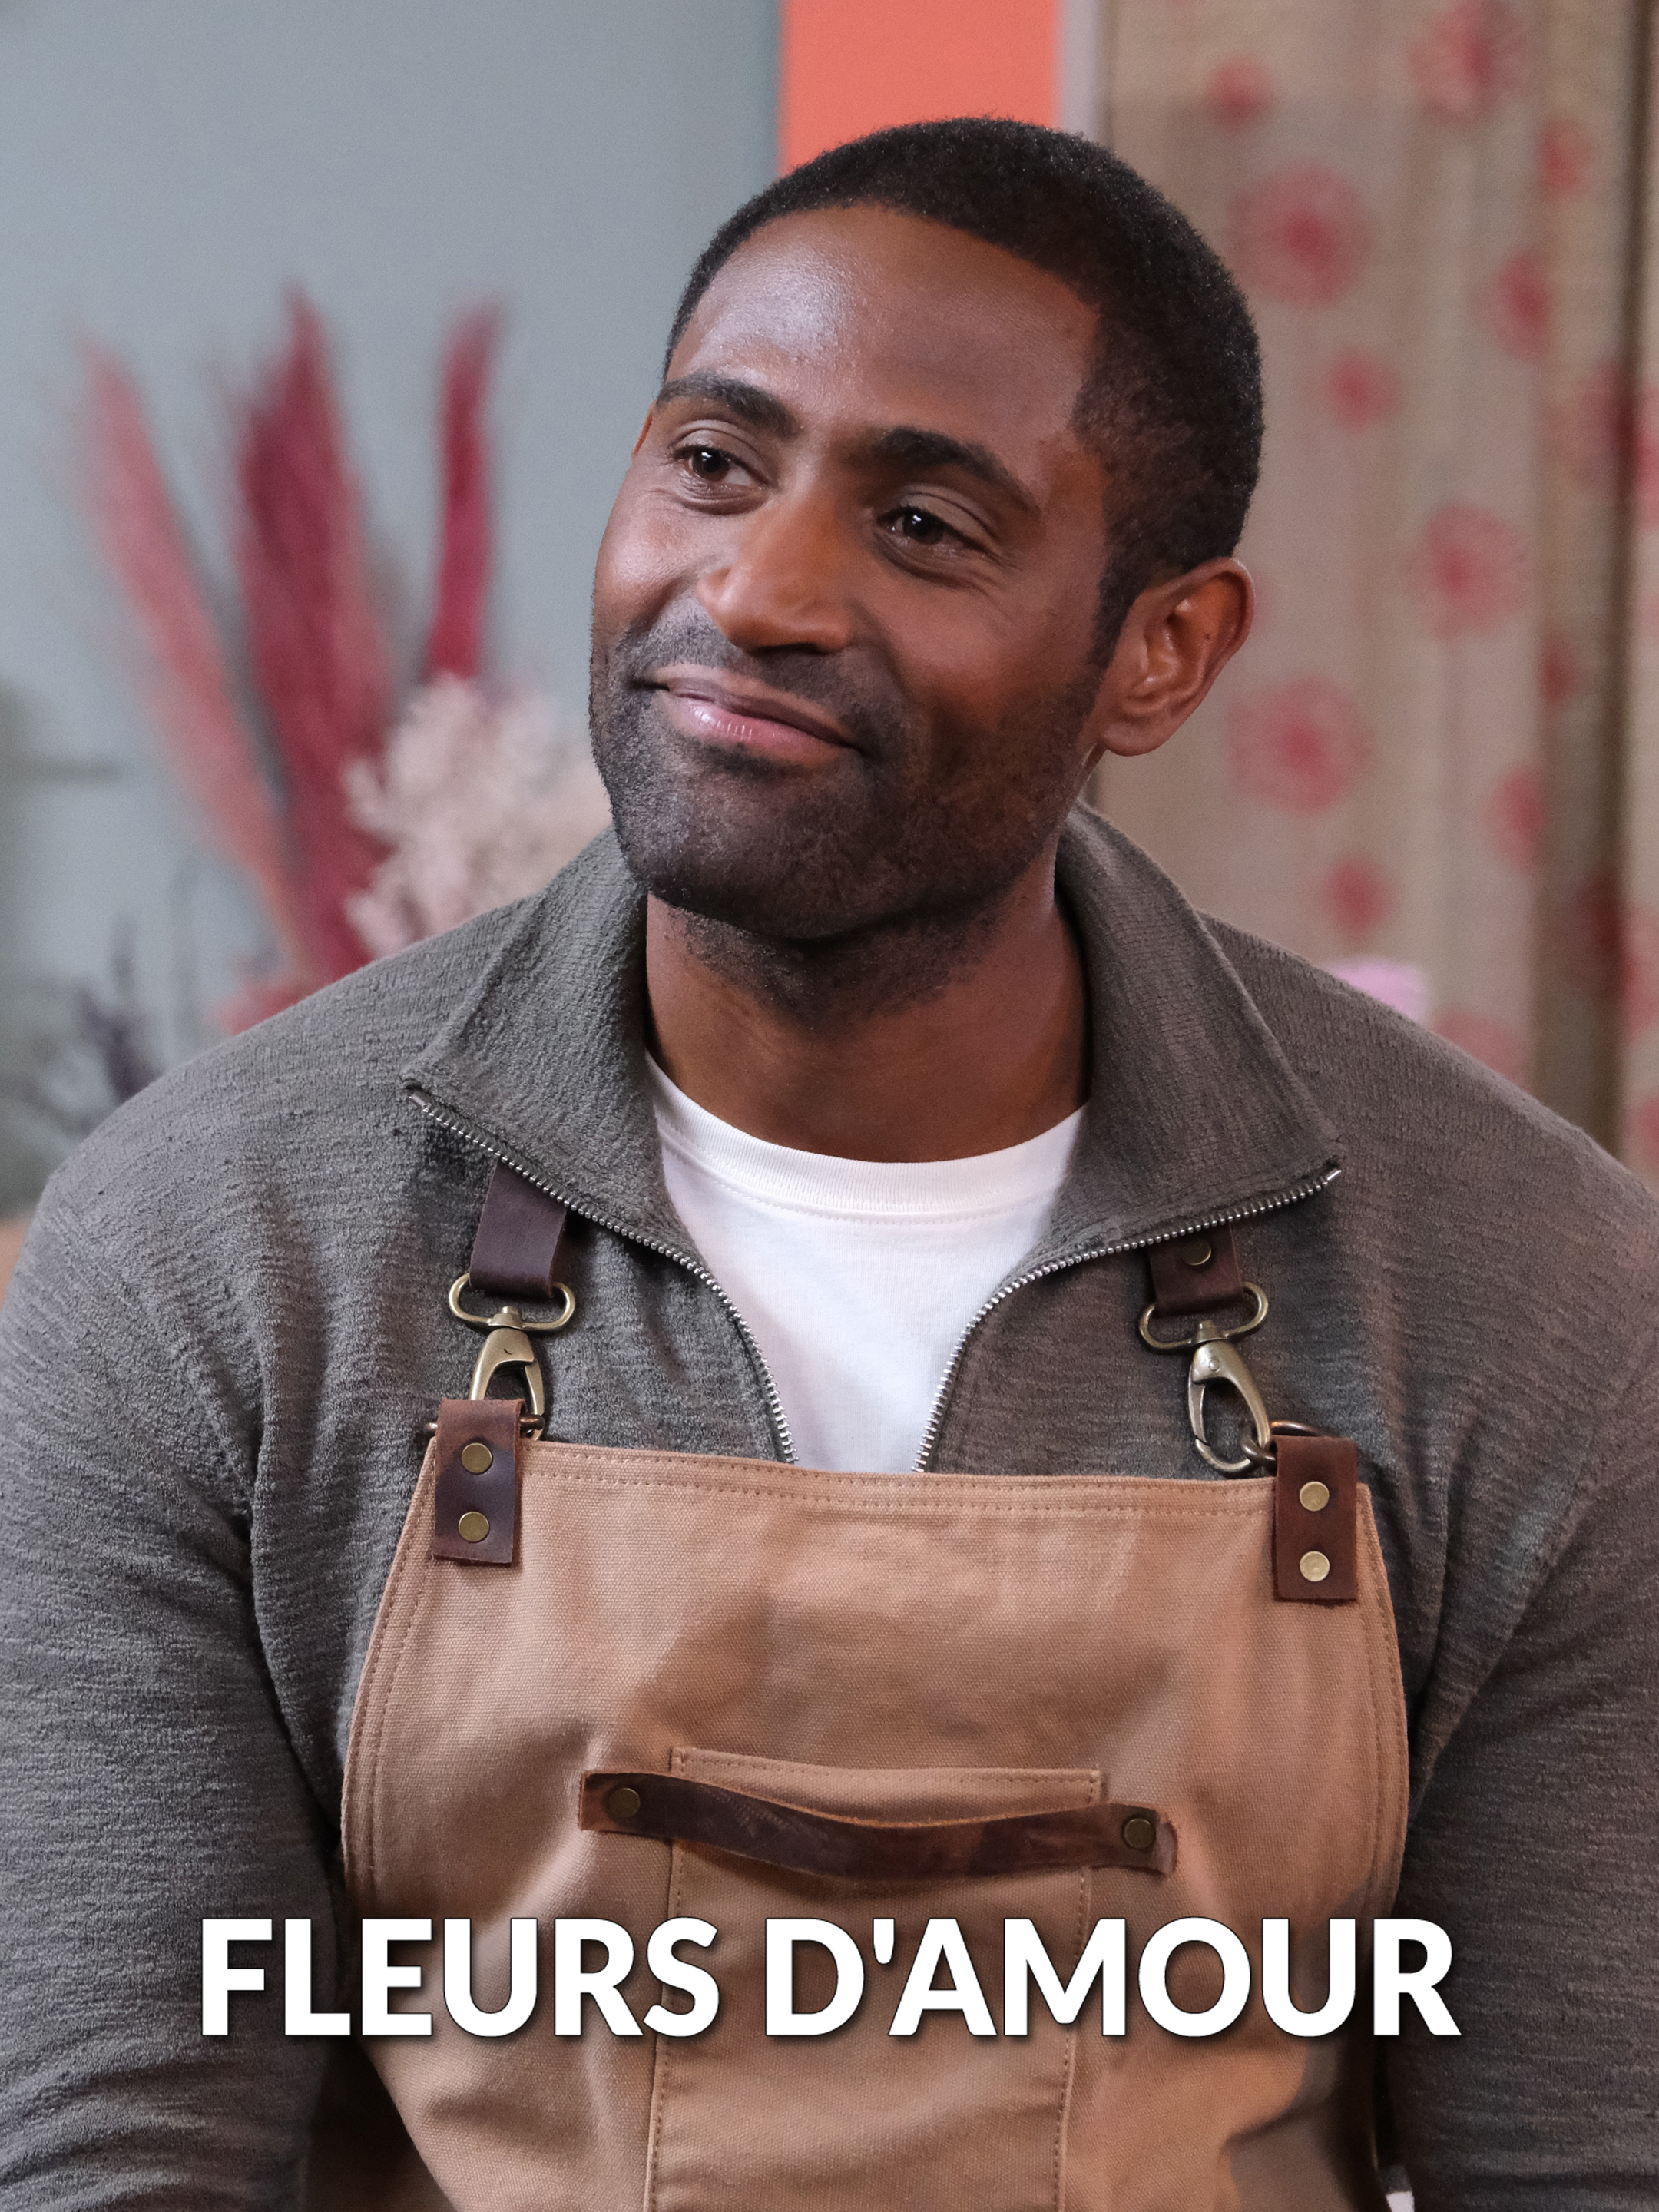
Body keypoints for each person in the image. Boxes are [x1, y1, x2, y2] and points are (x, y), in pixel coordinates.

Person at [2, 116, 1656, 2212]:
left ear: (1161, 650)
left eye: (930, 527)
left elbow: (1588, 2158)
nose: (757, 592)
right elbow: (118, 2148)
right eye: (712, 461)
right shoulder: (214, 1243)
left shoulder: (1525, 1294)